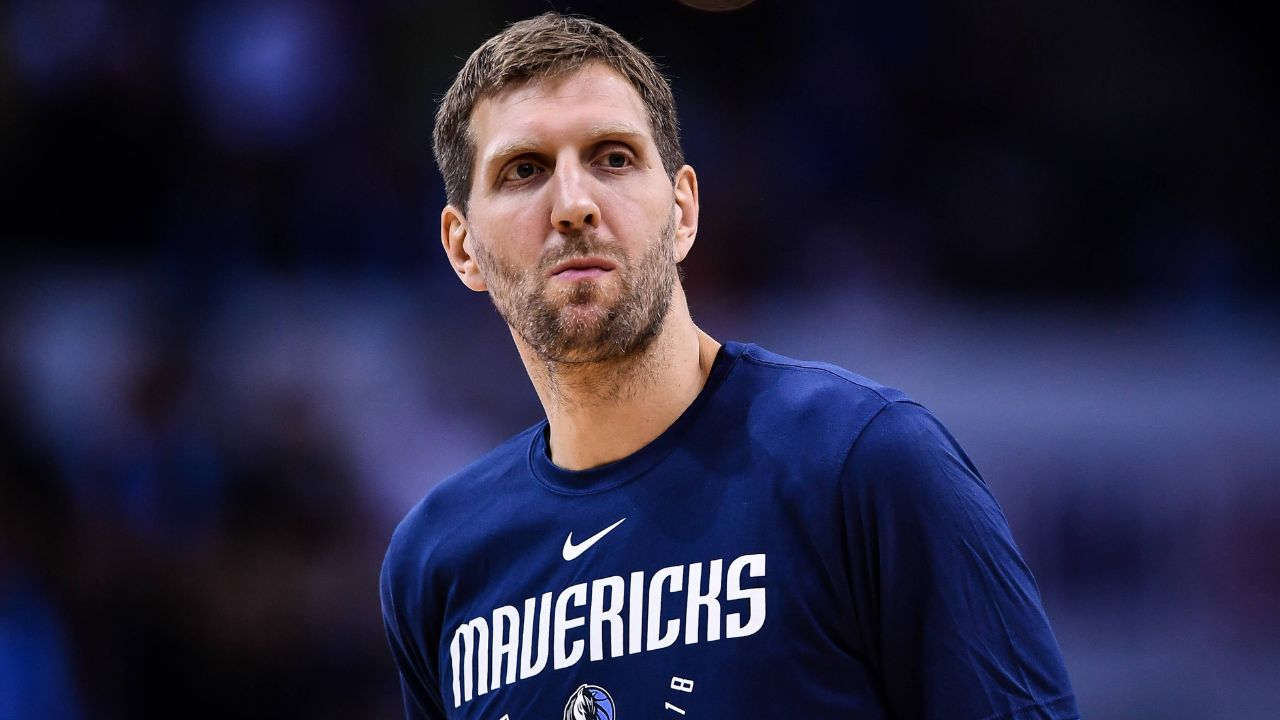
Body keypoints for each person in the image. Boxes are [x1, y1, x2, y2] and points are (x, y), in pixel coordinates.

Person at [381, 12, 1078, 720]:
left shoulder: (865, 462)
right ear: (462, 247)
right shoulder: (437, 559)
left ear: (683, 212)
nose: (574, 205)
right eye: (524, 170)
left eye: (613, 158)